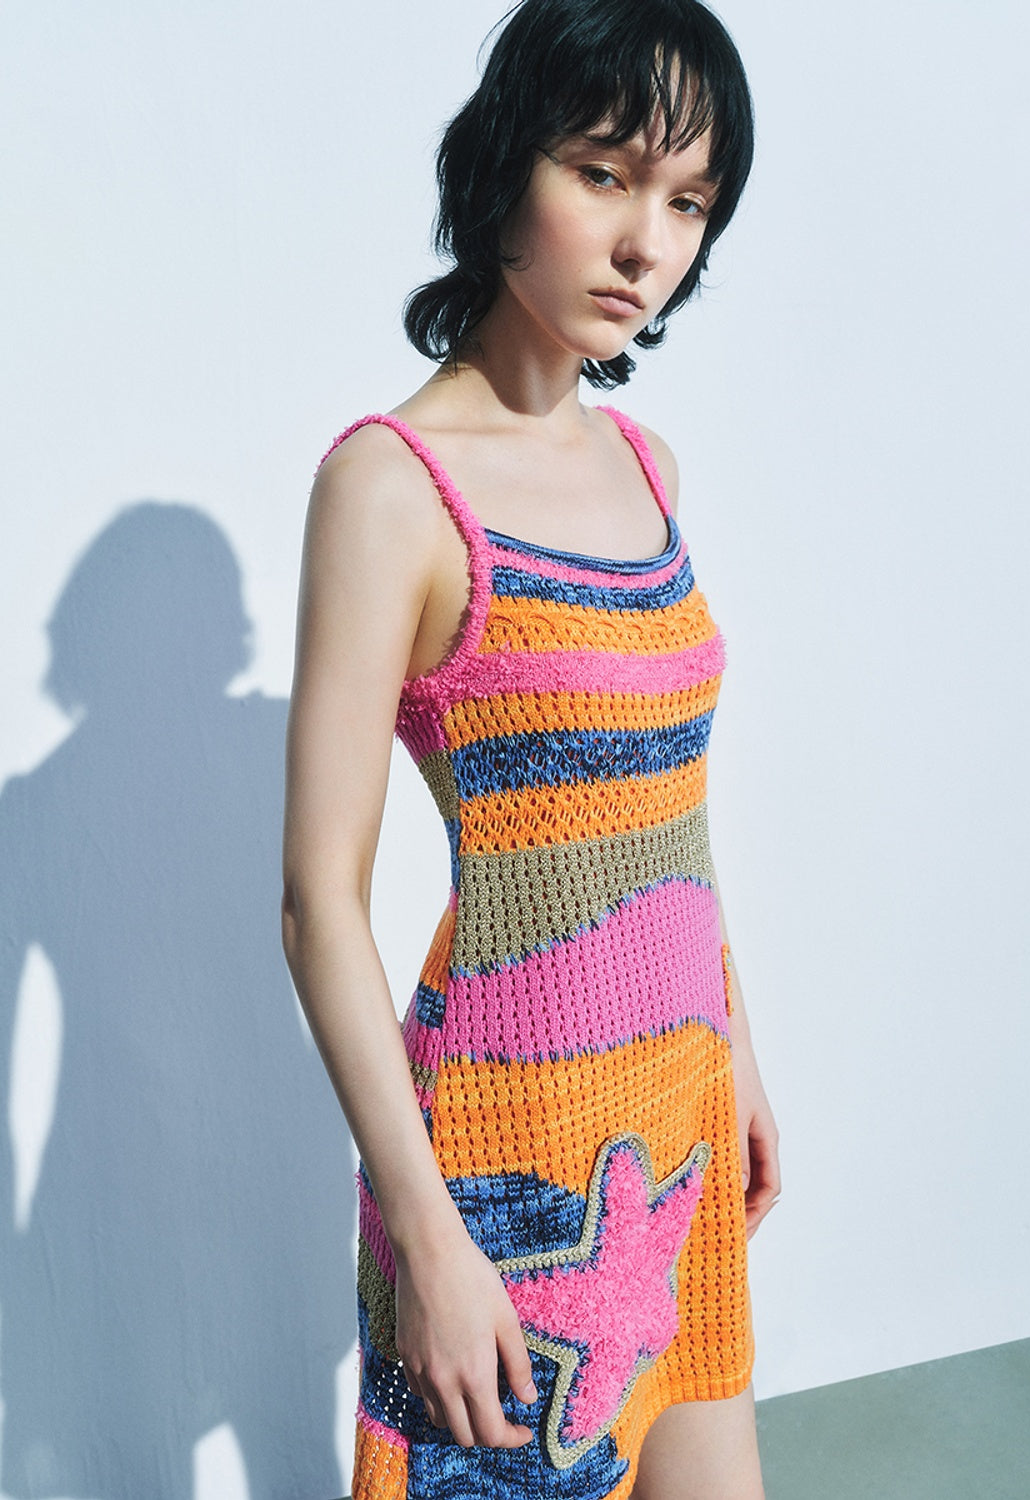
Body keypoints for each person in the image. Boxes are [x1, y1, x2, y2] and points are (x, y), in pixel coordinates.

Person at [281, 2, 781, 1496]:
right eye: (604, 174)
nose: (645, 244)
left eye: (687, 201)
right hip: (512, 1149)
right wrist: (428, 1237)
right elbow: (317, 903)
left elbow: (667, 819)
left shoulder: (646, 466)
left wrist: (739, 1052)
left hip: (674, 1115)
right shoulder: (393, 488)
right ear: (508, 166)